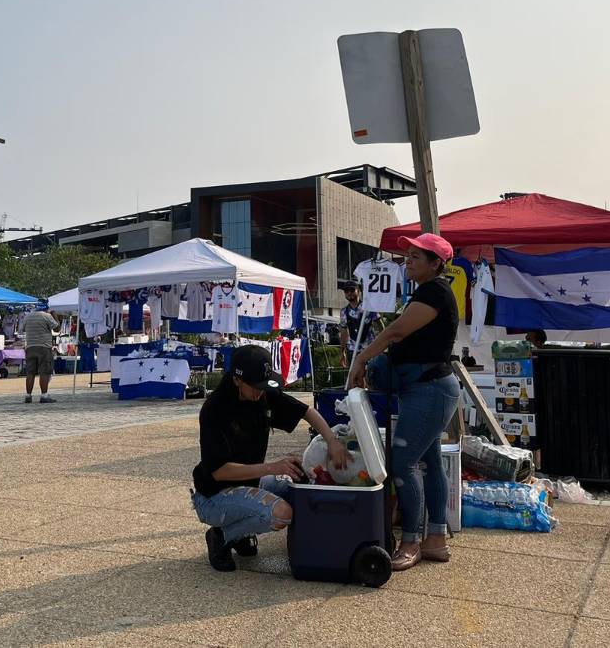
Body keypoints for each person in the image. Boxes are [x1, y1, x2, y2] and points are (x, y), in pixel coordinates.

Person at [349, 232, 461, 572]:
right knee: (429, 460)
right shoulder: (427, 291)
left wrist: (361, 359)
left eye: (416, 257)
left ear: (436, 263)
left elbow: (395, 332)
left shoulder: (434, 292)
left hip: (429, 390)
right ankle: (436, 539)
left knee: (402, 463)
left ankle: (411, 541)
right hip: (426, 389)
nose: (407, 261)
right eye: (407, 255)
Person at [192, 344, 350, 573]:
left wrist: (333, 442)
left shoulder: (262, 395)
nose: (260, 392)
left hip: (249, 483)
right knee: (281, 514)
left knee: (299, 488)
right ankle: (222, 536)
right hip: (215, 494)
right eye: (255, 386)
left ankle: (241, 533)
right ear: (237, 380)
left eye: (264, 385)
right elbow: (219, 471)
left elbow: (307, 412)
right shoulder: (215, 409)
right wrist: (272, 468)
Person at [19, 309, 59, 404]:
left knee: (30, 373)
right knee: (44, 372)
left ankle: (28, 396)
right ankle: (44, 395)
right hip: (44, 347)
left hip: (30, 347)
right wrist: (54, 315)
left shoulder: (27, 317)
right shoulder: (46, 316)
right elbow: (57, 329)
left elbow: (22, 329)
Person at [338, 282, 379, 367]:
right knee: (355, 373)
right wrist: (343, 352)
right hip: (353, 349)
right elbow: (344, 332)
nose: (349, 293)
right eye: (346, 291)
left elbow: (379, 326)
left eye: (352, 290)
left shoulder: (368, 307)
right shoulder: (344, 311)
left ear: (358, 291)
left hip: (370, 348)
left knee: (371, 373)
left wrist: (382, 344)